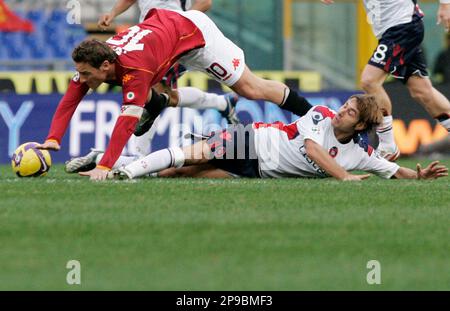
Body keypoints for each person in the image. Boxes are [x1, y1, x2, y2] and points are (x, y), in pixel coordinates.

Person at [37, 8, 313, 180]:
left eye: (86, 74)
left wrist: (105, 167)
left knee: (251, 89)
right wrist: (52, 138)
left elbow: (126, 123)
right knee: (151, 93)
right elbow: (70, 98)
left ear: (106, 66)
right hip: (168, 40)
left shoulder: (134, 70)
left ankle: (312, 114)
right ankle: (155, 102)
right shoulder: (96, 60)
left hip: (198, 38)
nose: (81, 78)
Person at [108, 94, 448, 181]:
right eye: (346, 104)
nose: (342, 110)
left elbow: (391, 170)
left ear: (359, 127)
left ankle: (107, 163)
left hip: (258, 170)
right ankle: (121, 170)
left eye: (351, 112)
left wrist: (418, 175)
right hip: (252, 140)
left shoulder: (359, 154)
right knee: (190, 155)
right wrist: (343, 177)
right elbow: (314, 150)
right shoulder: (321, 115)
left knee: (176, 175)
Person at [97, 0, 239, 160]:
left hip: (175, 39)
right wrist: (112, 13)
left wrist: (180, 24)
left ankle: (139, 155)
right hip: (146, 40)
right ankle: (222, 103)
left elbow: (205, 3)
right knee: (165, 96)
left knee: (154, 92)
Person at [321, 0, 450, 162]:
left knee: (369, 81)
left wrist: (446, 5)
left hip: (402, 28)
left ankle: (388, 145)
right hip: (394, 30)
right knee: (422, 91)